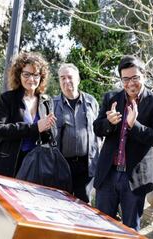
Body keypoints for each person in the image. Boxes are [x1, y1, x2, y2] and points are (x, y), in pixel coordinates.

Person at [93, 55, 153, 230]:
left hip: (134, 178)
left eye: (135, 78)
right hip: (108, 174)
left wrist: (135, 125)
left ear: (144, 76)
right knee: (101, 227)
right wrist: (108, 123)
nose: (130, 83)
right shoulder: (111, 98)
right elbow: (97, 128)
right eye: (125, 79)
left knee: (130, 230)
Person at [0, 52, 56, 177]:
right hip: (8, 163)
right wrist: (34, 127)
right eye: (26, 74)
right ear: (18, 75)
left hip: (34, 164)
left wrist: (49, 128)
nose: (31, 79)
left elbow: (50, 138)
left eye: (36, 75)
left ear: (41, 77)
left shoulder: (46, 101)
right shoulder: (7, 99)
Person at [53, 63, 100, 203]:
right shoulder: (52, 104)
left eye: (70, 77)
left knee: (83, 206)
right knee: (60, 203)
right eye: (62, 78)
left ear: (78, 79)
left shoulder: (91, 102)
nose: (66, 81)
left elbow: (99, 131)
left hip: (86, 165)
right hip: (62, 165)